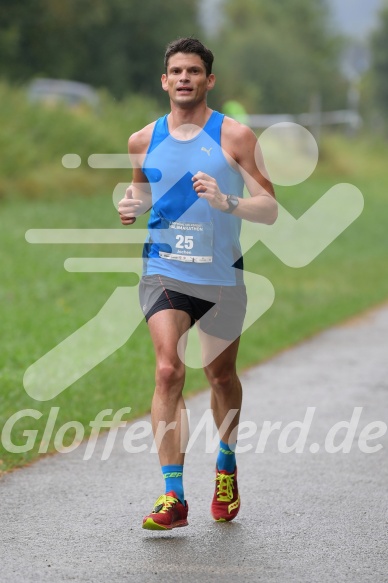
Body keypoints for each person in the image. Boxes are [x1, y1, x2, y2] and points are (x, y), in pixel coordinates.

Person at [118, 37, 277, 530]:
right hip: (164, 269)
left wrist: (227, 203)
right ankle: (173, 496)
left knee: (220, 376)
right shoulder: (142, 140)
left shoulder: (236, 138)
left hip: (222, 274)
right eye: (176, 71)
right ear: (164, 81)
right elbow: (143, 190)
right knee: (168, 371)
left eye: (194, 71)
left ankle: (226, 463)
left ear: (209, 80)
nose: (184, 78)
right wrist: (131, 204)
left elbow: (269, 208)